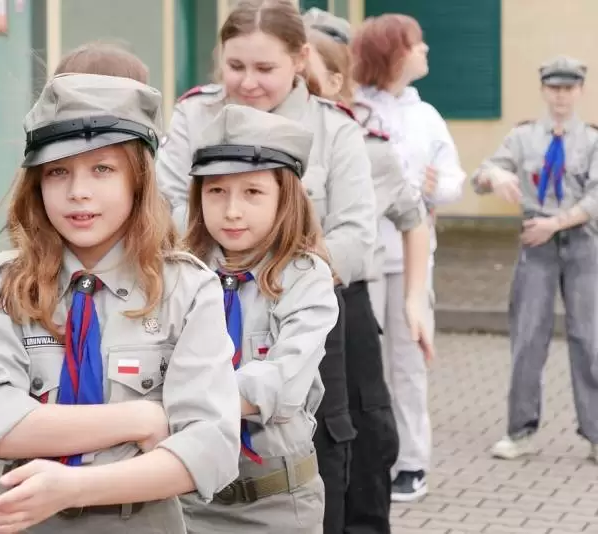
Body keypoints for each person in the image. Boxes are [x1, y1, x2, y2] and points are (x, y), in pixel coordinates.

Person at [0, 73, 242, 534]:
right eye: (57, 172)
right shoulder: (10, 283)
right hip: (30, 521)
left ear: (138, 180)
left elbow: (211, 450)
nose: (77, 192)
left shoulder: (186, 290)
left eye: (102, 169)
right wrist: (140, 417)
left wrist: (73, 487)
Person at [155, 2, 376, 530]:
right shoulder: (194, 114)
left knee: (331, 437)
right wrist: (213, 252)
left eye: (264, 68)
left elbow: (356, 236)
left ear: (300, 60)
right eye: (236, 67)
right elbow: (163, 205)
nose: (248, 82)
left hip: (298, 299)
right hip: (202, 282)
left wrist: (278, 261)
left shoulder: (333, 127)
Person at [179, 103, 336, 533]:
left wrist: (176, 405)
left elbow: (280, 382)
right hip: (185, 499)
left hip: (275, 501)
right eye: (216, 191)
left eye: (252, 192)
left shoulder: (306, 277)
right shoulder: (179, 274)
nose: (232, 210)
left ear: (285, 198)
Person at [305, 9, 433, 532]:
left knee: (367, 433)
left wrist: (413, 300)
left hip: (347, 306)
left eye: (305, 79)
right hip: (267, 306)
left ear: (337, 82)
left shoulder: (367, 147)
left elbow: (413, 217)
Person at [351, 13, 466, 502]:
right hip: (364, 259)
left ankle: (411, 461)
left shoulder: (427, 116)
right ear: (394, 53)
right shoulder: (354, 110)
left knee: (409, 362)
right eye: (417, 44)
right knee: (365, 364)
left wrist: (439, 188)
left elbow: (454, 178)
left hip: (413, 260)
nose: (425, 51)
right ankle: (369, 456)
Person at [471, 55, 598, 464]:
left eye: (569, 88)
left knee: (589, 341)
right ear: (544, 90)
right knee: (528, 338)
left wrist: (555, 223)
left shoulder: (592, 140)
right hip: (536, 246)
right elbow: (480, 177)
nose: (561, 96)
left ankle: (596, 435)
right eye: (554, 88)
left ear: (580, 91)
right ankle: (520, 431)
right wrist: (494, 175)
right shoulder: (522, 137)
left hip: (581, 245)